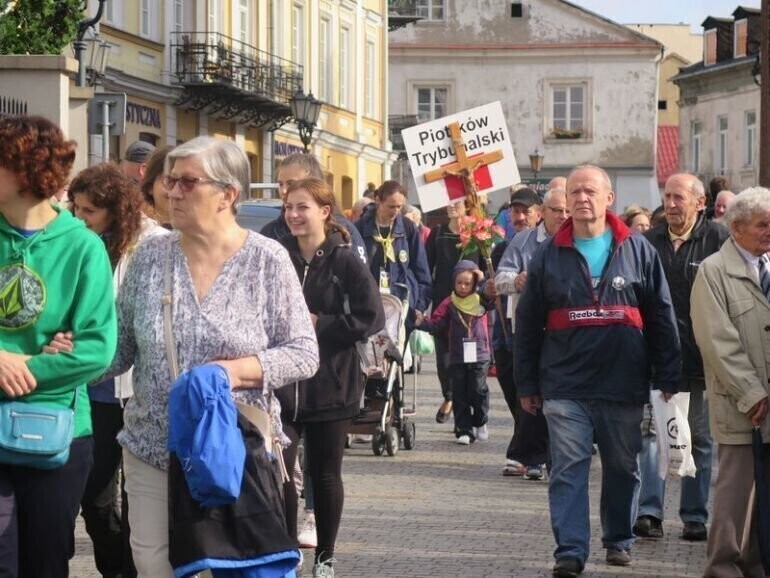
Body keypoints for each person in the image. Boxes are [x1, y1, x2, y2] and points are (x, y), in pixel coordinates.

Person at [105, 136, 319, 576]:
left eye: (187, 182)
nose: (172, 192)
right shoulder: (148, 257)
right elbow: (119, 350)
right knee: (154, 566)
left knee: (239, 568)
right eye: (169, 181)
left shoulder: (266, 260)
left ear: (227, 194)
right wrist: (63, 351)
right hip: (153, 447)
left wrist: (234, 372)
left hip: (234, 448)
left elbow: (303, 353)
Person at [515, 164, 681, 577]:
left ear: (609, 199)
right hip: (564, 384)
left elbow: (661, 314)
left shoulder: (637, 249)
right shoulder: (547, 254)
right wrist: (527, 383)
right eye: (574, 192)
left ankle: (618, 538)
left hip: (622, 383)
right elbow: (528, 323)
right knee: (568, 468)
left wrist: (669, 375)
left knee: (623, 467)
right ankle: (570, 550)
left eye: (590, 191)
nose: (581, 198)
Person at [0, 115, 118, 576]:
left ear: (26, 171)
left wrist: (20, 369)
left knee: (44, 564)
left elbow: (94, 350)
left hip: (58, 434)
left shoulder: (81, 247)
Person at [278, 178, 384, 577]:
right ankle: (287, 550)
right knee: (281, 469)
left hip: (332, 381)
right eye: (288, 207)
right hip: (284, 384)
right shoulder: (278, 255)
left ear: (324, 212)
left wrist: (319, 324)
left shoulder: (344, 260)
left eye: (301, 207)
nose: (293, 214)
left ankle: (326, 554)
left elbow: (369, 316)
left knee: (325, 473)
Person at [69, 163, 168, 578]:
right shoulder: (80, 243)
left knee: (140, 500)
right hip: (97, 391)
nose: (80, 219)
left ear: (116, 208)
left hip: (140, 391)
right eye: (76, 209)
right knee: (94, 498)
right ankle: (116, 570)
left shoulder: (155, 244)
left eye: (89, 210)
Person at [635, 173, 728, 542]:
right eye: (667, 196)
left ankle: (694, 515)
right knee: (653, 434)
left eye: (678, 198)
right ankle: (649, 512)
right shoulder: (646, 242)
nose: (670, 204)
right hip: (655, 358)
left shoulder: (718, 240)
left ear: (700, 202)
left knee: (700, 439)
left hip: (701, 357)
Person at [690, 187, 770, 578]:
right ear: (736, 228)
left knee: (763, 497)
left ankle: (755, 566)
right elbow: (717, 341)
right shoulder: (713, 272)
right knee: (735, 494)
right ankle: (722, 569)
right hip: (742, 404)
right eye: (763, 224)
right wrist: (752, 392)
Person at [494, 188, 568, 480]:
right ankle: (533, 456)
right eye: (556, 210)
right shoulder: (523, 241)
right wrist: (515, 279)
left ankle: (556, 455)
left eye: (566, 211)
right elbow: (500, 279)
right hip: (530, 329)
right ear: (543, 213)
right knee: (531, 392)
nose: (562, 216)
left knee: (560, 393)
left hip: (566, 330)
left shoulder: (579, 239)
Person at [416, 260, 494, 445]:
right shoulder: (449, 302)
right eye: (459, 282)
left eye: (468, 283)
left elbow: (495, 290)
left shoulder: (481, 298)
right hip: (458, 354)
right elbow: (437, 323)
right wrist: (420, 323)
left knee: (477, 389)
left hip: (480, 353)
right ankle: (464, 430)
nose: (463, 287)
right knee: (459, 393)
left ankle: (480, 421)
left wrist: (485, 277)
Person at [424, 199, 480, 424]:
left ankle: (468, 406)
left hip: (470, 307)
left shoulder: (477, 235)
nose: (452, 205)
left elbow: (485, 269)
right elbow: (426, 268)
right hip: (443, 303)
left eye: (457, 202)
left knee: (469, 360)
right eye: (448, 202)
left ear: (466, 205)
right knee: (444, 359)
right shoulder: (437, 233)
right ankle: (449, 397)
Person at [260, 154, 366, 262]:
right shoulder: (271, 232)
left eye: (291, 183)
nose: (283, 190)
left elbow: (362, 276)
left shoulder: (343, 231)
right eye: (280, 184)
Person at [355, 180, 432, 327]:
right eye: (391, 206)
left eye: (399, 207)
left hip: (403, 306)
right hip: (371, 305)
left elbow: (421, 270)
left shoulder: (408, 228)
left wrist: (419, 306)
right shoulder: (360, 228)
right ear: (378, 200)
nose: (395, 211)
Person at [140, 146, 174, 228]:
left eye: (186, 181)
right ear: (150, 187)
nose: (176, 190)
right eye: (168, 181)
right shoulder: (135, 231)